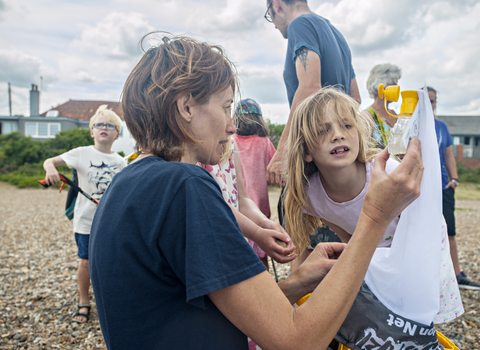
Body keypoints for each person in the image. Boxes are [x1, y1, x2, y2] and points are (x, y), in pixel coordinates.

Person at [89, 33, 424, 350]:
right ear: (187, 107)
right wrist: (375, 217)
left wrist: (298, 282)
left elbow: (191, 315)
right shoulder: (186, 186)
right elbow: (296, 341)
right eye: (224, 107)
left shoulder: (127, 183)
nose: (232, 125)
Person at [284, 87, 463, 324]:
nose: (338, 135)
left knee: (415, 309)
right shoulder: (312, 196)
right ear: (306, 150)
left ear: (358, 133)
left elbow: (421, 226)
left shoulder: (387, 175)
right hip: (377, 247)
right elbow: (348, 234)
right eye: (322, 130)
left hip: (420, 239)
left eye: (346, 125)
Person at [43, 105, 126, 323]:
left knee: (109, 263)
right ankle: (84, 301)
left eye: (110, 126)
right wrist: (51, 169)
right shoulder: (81, 153)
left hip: (109, 222)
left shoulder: (120, 162)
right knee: (86, 262)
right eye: (99, 124)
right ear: (92, 131)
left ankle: (108, 300)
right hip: (85, 220)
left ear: (117, 134)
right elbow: (49, 161)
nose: (104, 128)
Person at [264, 0, 361, 187]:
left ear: (277, 6)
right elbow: (355, 98)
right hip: (337, 163)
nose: (274, 25)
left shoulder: (300, 25)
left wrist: (283, 151)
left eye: (270, 16)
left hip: (314, 156)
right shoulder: (336, 34)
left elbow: (310, 86)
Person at [199, 136, 296, 265]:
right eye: (224, 114)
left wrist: (264, 222)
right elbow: (217, 206)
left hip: (237, 243)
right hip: (212, 251)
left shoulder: (231, 145)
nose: (233, 127)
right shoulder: (194, 155)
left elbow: (242, 198)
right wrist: (257, 233)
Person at [428, 86, 480, 290]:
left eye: (433, 101)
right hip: (421, 188)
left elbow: (449, 155)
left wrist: (455, 179)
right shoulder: (411, 126)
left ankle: (457, 274)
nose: (431, 105)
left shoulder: (441, 126)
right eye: (427, 100)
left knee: (449, 231)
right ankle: (429, 276)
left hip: (442, 186)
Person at [232, 98, 277, 266]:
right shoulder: (264, 142)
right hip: (259, 208)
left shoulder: (232, 142)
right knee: (262, 254)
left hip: (238, 208)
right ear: (259, 119)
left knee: (242, 255)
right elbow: (275, 169)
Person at [365, 63, 402, 148]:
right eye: (392, 85)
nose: (397, 88)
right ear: (379, 88)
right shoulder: (368, 116)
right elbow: (364, 151)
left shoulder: (394, 113)